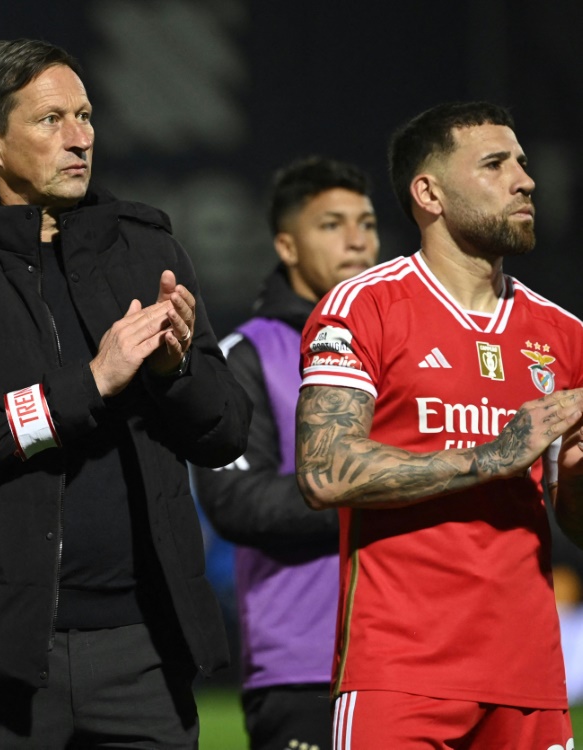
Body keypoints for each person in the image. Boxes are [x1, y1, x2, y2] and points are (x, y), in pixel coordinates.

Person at [0, 38, 251, 748]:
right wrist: (90, 384)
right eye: (51, 120)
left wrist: (176, 374)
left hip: (141, 650)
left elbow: (225, 432)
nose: (80, 138)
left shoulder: (146, 250)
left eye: (85, 116)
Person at [295, 101, 583, 748]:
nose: (523, 179)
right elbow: (322, 471)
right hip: (400, 672)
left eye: (522, 163)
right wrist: (495, 453)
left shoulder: (565, 335)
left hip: (531, 677)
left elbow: (573, 523)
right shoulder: (362, 308)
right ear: (428, 192)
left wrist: (574, 481)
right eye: (494, 163)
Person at [194, 156, 379, 750]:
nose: (357, 239)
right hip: (306, 666)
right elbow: (234, 499)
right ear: (286, 245)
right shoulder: (244, 355)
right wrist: (390, 493)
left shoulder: (409, 348)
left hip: (421, 654)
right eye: (331, 224)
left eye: (368, 223)